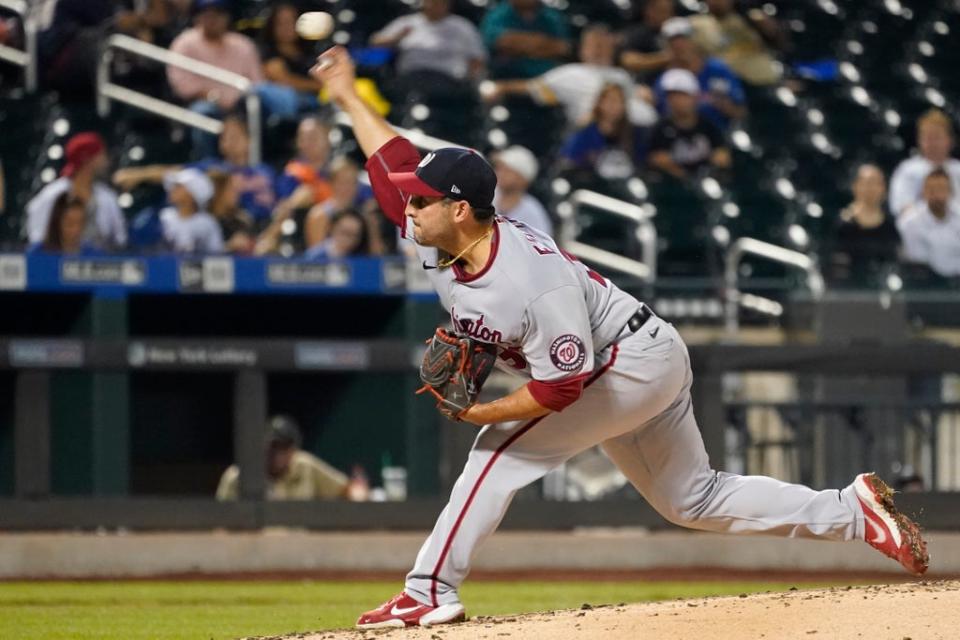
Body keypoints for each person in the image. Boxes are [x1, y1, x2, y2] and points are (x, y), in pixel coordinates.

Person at [311, 45, 929, 630]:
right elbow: (390, 157)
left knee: (496, 451)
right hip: (642, 352)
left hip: (626, 361)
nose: (407, 208)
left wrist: (481, 410)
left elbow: (560, 390)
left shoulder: (530, 282)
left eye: (422, 201)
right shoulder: (441, 228)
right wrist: (344, 92)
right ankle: (852, 512)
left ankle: (428, 591)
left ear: (461, 209)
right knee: (692, 499)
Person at [485, 25, 657, 130]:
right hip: (591, 131)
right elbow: (531, 87)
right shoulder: (570, 73)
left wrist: (645, 96)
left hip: (631, 133)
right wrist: (500, 87)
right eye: (593, 45)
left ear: (612, 49)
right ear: (583, 49)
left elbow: (638, 99)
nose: (598, 49)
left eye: (603, 45)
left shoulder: (622, 75)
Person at [26, 132, 127, 251]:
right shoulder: (52, 195)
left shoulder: (107, 197)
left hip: (100, 264)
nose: (105, 160)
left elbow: (120, 240)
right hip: (55, 263)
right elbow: (36, 237)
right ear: (87, 159)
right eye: (101, 155)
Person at [216, 415, 349, 501]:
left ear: (293, 450)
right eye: (273, 446)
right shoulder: (237, 476)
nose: (277, 453)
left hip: (300, 542)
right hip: (254, 542)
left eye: (284, 447)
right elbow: (219, 520)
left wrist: (357, 492)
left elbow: (345, 489)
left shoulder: (304, 465)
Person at [370, 0, 487, 92]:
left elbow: (477, 58)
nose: (435, 5)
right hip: (412, 77)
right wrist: (396, 38)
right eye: (432, 1)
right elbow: (375, 42)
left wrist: (470, 82)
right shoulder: (408, 23)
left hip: (448, 80)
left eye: (440, 2)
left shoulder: (462, 26)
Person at [655, 17, 746, 131]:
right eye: (673, 42)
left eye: (684, 39)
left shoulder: (718, 69)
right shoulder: (666, 81)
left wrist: (723, 104)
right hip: (684, 139)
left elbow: (741, 111)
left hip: (722, 134)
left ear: (693, 40)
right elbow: (663, 117)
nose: (680, 45)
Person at [647, 69, 731, 180]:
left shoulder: (707, 124)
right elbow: (655, 159)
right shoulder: (661, 129)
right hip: (675, 188)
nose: (677, 101)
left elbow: (721, 152)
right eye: (672, 96)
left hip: (708, 182)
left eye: (683, 96)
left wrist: (719, 159)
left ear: (694, 97)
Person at [826, 164, 900, 284]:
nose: (871, 188)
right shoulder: (842, 225)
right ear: (855, 186)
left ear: (884, 189)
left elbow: (894, 262)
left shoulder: (891, 226)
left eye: (877, 183)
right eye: (867, 183)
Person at [559, 83, 649, 181]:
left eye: (619, 101)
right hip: (591, 184)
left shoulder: (634, 133)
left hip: (624, 184)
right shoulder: (585, 131)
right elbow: (568, 160)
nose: (614, 106)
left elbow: (640, 164)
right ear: (600, 103)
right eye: (610, 101)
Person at [688, 0, 786, 86]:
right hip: (729, 86)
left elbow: (781, 46)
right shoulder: (696, 24)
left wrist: (772, 30)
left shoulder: (751, 18)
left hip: (765, 81)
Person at [888, 109, 960, 216]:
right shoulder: (907, 170)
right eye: (927, 138)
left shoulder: (958, 169)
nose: (932, 143)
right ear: (919, 141)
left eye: (937, 137)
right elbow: (900, 207)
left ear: (950, 140)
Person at [479, 0, 571, 79]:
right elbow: (499, 42)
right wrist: (543, 44)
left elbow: (562, 48)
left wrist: (517, 47)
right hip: (507, 77)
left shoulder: (552, 16)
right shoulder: (497, 15)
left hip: (547, 78)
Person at [258, 2, 322, 113]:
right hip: (290, 105)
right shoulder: (268, 53)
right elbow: (285, 81)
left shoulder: (310, 49)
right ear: (272, 26)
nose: (286, 28)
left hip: (318, 100)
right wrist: (319, 86)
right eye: (280, 23)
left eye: (290, 22)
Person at [896, 168, 960, 278]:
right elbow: (919, 260)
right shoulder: (909, 223)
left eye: (941, 189)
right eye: (931, 189)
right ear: (923, 192)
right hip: (924, 280)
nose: (936, 194)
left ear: (950, 191)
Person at [159, 167, 224, 253]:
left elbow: (217, 254)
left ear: (193, 194)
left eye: (179, 186)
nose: (172, 189)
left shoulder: (207, 223)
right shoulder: (163, 217)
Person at [492, 146, 553, 236]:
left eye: (507, 171)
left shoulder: (533, 213)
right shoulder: (484, 196)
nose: (500, 174)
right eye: (500, 168)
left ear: (523, 179)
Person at [617, 0, 676, 82]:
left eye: (670, 12)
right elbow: (628, 60)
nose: (668, 16)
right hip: (647, 85)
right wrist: (663, 59)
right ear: (650, 11)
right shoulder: (639, 33)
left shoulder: (674, 33)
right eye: (662, 11)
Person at [28, 192, 99, 255]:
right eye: (70, 224)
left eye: (81, 223)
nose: (76, 230)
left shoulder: (94, 256)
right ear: (57, 223)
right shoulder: (37, 254)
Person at [208, 169, 256, 254]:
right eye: (231, 189)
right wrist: (229, 246)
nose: (236, 193)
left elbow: (255, 249)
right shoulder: (206, 221)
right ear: (219, 192)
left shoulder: (241, 220)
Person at [304, 210, 373, 260]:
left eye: (355, 235)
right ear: (331, 228)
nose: (348, 239)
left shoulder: (361, 258)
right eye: (344, 232)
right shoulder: (314, 256)